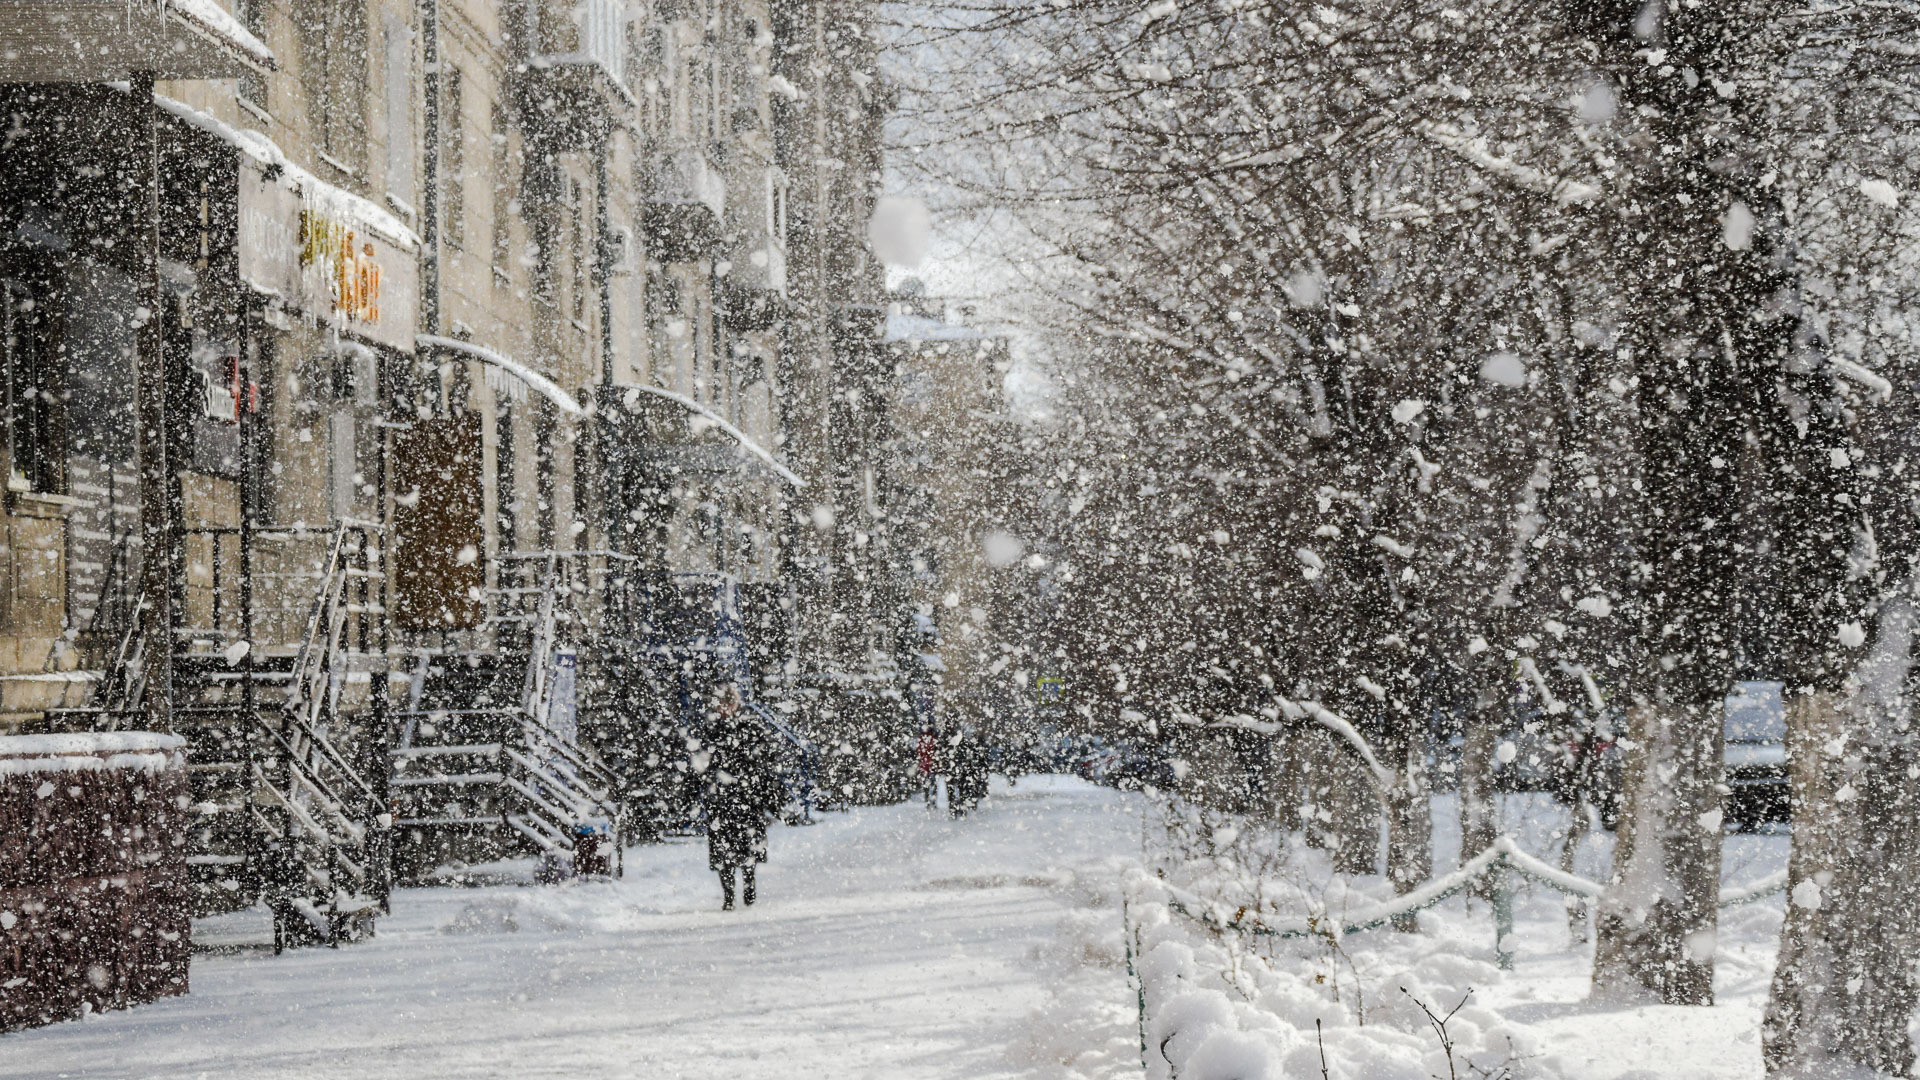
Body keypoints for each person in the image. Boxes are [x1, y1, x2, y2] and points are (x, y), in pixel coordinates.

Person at [702, 683, 778, 911]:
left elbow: (761, 761)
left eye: (727, 704)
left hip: (743, 796)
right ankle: (729, 895)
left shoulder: (747, 728)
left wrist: (760, 790)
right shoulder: (714, 730)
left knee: (745, 847)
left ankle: (748, 886)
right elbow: (705, 763)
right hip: (724, 798)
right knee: (724, 851)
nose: (724, 709)